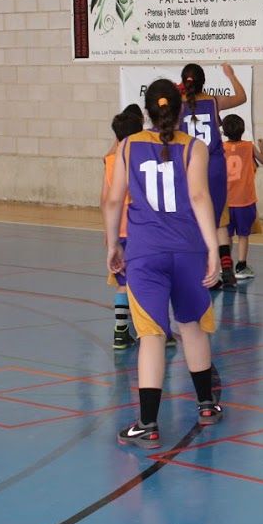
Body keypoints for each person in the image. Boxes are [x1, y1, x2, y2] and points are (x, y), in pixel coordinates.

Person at [105, 80, 223, 449]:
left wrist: (112, 244)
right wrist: (212, 249)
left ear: (147, 111)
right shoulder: (195, 148)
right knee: (192, 326)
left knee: (153, 335)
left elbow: (112, 202)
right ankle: (206, 404)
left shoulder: (127, 146)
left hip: (144, 252)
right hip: (188, 250)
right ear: (181, 109)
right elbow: (200, 196)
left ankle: (148, 423)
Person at [179, 63, 247, 289]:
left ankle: (203, 272)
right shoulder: (213, 101)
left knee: (196, 218)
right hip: (215, 166)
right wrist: (231, 75)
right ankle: (227, 271)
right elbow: (241, 97)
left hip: (191, 166)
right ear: (202, 82)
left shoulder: (178, 106)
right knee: (219, 220)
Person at [102, 103, 143, 350]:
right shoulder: (142, 157)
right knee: (146, 283)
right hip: (140, 229)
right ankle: (154, 330)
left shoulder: (109, 160)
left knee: (122, 283)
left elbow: (105, 199)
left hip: (118, 230)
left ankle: (120, 331)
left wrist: (108, 231)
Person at [221, 114, 263, 280]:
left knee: (226, 235)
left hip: (225, 200)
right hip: (244, 199)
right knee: (243, 235)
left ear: (224, 131)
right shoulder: (249, 146)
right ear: (242, 130)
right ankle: (241, 266)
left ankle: (225, 264)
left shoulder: (221, 147)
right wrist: (262, 147)